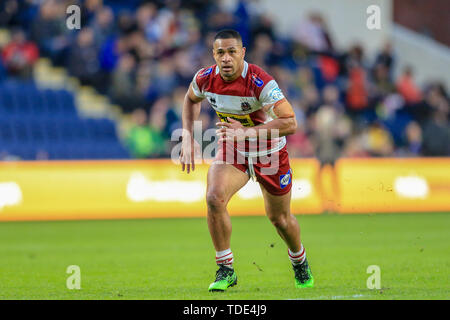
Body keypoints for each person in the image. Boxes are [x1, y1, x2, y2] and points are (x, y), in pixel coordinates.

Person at [179, 29, 313, 292]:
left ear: (242, 53)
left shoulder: (260, 82)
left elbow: (290, 122)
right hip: (234, 149)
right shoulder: (205, 78)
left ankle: (299, 259)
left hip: (269, 152)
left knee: (280, 220)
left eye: (231, 52)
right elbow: (190, 99)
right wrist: (188, 135)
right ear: (213, 55)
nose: (226, 58)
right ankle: (226, 269)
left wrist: (247, 133)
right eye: (220, 52)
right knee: (213, 198)